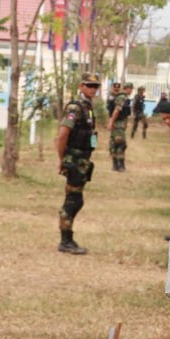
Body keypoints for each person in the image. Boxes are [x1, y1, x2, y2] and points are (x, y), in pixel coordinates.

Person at [53, 73, 101, 254]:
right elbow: (62, 135)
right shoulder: (75, 107)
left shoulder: (87, 106)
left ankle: (67, 239)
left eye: (96, 86)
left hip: (82, 159)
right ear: (81, 86)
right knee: (73, 200)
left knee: (76, 199)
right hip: (74, 158)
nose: (93, 89)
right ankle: (65, 241)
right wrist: (62, 160)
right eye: (89, 85)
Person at [108, 80, 131, 172]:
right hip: (118, 124)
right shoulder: (122, 97)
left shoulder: (121, 97)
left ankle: (115, 165)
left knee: (115, 144)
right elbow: (116, 111)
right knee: (121, 144)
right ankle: (120, 166)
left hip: (118, 123)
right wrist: (111, 122)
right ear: (128, 89)